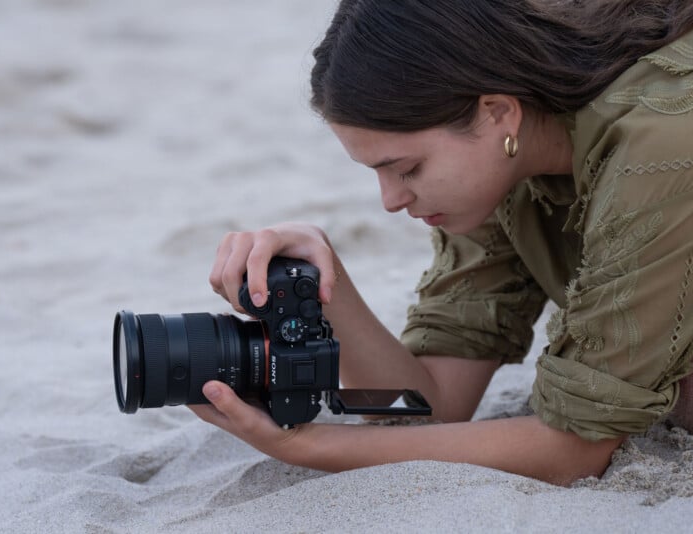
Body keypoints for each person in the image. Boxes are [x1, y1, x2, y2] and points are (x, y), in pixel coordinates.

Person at [190, 0, 693, 485]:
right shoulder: (504, 164)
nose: (390, 200)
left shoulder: (659, 145)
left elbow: (573, 450)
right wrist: (326, 281)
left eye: (408, 168)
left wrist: (306, 447)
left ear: (498, 113)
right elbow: (426, 406)